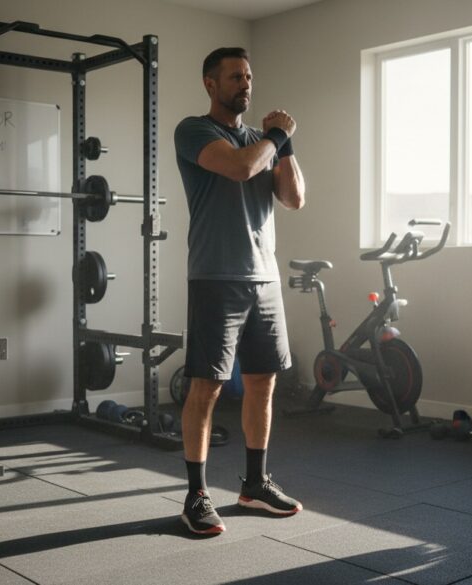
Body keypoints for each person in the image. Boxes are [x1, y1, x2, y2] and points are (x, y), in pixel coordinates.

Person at [174, 47, 306, 535]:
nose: (245, 84)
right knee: (206, 388)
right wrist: (276, 135)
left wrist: (283, 145)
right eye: (235, 77)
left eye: (249, 76)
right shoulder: (194, 131)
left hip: (264, 279)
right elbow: (239, 168)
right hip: (215, 277)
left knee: (262, 382)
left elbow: (294, 198)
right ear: (211, 84)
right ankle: (196, 495)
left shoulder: (266, 141)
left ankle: (254, 485)